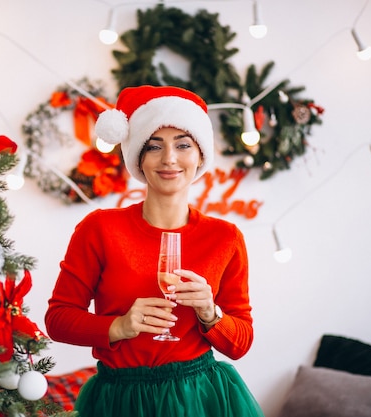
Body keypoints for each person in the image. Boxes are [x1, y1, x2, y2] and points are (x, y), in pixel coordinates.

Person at [44, 85, 264, 417]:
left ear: (200, 155)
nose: (169, 159)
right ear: (138, 159)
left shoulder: (225, 237)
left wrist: (210, 312)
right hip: (119, 400)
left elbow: (241, 343)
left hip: (199, 398)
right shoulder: (100, 229)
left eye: (183, 145)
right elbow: (58, 319)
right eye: (154, 146)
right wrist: (118, 326)